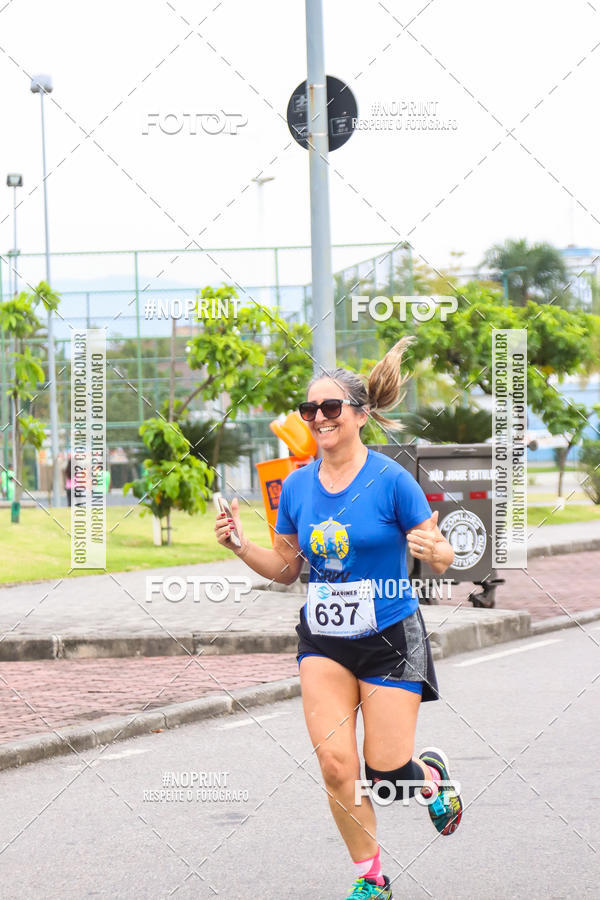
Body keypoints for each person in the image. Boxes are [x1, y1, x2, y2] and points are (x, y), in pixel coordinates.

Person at [214, 338, 463, 899]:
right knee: (334, 764)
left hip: (390, 636)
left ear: (360, 414)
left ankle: (426, 778)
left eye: (330, 408)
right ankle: (371, 879)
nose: (318, 418)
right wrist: (240, 546)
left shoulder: (391, 479)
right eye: (309, 410)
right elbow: (285, 568)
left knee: (385, 771)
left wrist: (434, 551)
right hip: (324, 639)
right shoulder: (297, 485)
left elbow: (442, 552)